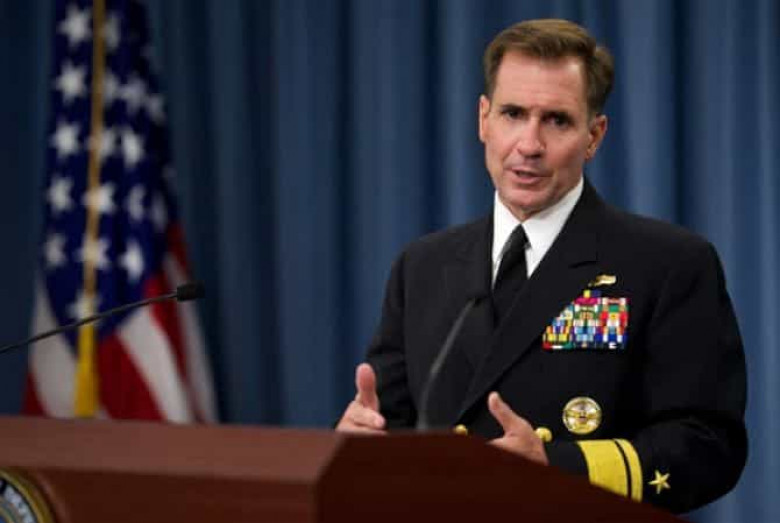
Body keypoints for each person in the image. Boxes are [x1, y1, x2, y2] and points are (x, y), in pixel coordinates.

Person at [336, 18, 746, 513]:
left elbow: (709, 446)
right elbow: (393, 429)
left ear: (594, 136)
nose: (529, 145)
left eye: (557, 120)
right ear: (483, 120)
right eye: (512, 114)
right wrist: (363, 444)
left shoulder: (669, 263)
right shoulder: (423, 266)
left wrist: (557, 466)